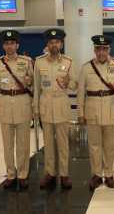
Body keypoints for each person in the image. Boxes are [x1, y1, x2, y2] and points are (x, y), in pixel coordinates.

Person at [77, 35, 114, 190]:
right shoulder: (86, 68)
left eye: (104, 49)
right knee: (94, 145)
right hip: (92, 110)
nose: (101, 52)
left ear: (109, 50)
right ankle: (97, 174)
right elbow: (80, 92)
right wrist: (80, 113)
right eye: (99, 49)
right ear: (95, 50)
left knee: (110, 146)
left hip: (111, 109)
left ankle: (109, 174)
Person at [34, 29, 77, 190]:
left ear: (61, 44)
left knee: (63, 143)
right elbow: (37, 88)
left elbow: (75, 84)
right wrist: (35, 108)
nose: (54, 45)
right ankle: (50, 173)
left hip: (61, 105)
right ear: (47, 44)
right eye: (51, 42)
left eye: (57, 42)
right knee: (48, 144)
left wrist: (68, 84)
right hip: (45, 106)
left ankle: (64, 174)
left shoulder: (68, 61)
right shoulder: (39, 62)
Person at [0, 30, 34, 189]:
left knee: (23, 144)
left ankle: (23, 174)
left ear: (17, 45)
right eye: (6, 43)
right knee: (7, 144)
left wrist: (29, 83)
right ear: (3, 46)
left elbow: (33, 85)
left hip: (22, 103)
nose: (9, 46)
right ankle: (11, 174)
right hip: (4, 104)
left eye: (12, 43)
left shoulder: (26, 61)